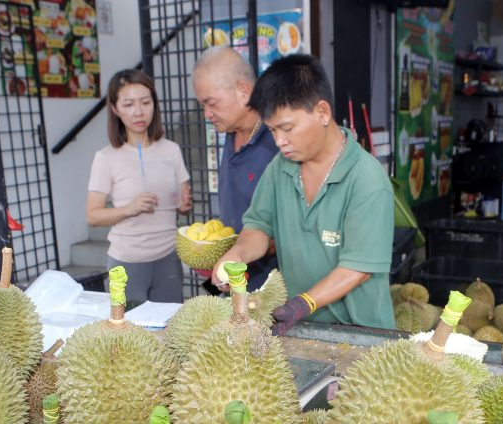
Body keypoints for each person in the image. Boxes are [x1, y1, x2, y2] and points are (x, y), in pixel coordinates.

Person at [211, 54, 395, 335]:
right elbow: (259, 226)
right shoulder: (280, 168)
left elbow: (358, 268)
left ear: (322, 113)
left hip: (362, 335)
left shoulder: (367, 179)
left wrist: (304, 303)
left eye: (286, 128)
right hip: (301, 328)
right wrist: (237, 255)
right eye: (272, 130)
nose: (279, 141)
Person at [86, 69, 192, 303]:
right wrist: (129, 208)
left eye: (145, 102)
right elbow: (93, 216)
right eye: (128, 104)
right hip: (126, 262)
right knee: (128, 334)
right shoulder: (106, 157)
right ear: (115, 109)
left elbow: (183, 205)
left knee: (170, 330)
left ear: (154, 104)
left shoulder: (171, 150)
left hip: (168, 259)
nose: (139, 112)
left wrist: (184, 205)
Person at [192, 46, 279, 291]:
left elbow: (293, 228)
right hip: (234, 281)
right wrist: (212, 254)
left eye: (211, 103)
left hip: (272, 289)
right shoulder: (230, 133)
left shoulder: (278, 141)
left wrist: (237, 255)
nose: (207, 114)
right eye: (202, 105)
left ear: (242, 90)